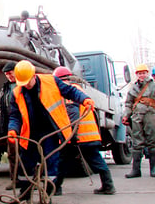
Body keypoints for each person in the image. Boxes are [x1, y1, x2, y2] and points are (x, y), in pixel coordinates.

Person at [7, 60, 95, 202]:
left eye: (28, 81)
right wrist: (12, 129)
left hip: (50, 132)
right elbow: (15, 116)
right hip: (29, 134)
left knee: (50, 164)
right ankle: (25, 195)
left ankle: (47, 196)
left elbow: (70, 91)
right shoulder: (17, 92)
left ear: (34, 75)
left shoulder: (51, 81)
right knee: (26, 165)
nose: (26, 85)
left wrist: (84, 99)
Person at [52, 66, 116, 195]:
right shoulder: (78, 89)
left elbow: (73, 114)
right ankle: (108, 186)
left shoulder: (68, 92)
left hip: (78, 136)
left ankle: (56, 188)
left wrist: (72, 136)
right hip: (89, 136)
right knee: (96, 161)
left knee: (61, 163)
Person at [122, 64, 155, 178]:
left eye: (143, 73)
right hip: (136, 116)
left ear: (147, 73)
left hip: (150, 115)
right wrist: (126, 115)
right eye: (139, 73)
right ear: (136, 75)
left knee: (152, 142)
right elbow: (128, 103)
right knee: (137, 143)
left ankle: (153, 170)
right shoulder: (133, 88)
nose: (142, 75)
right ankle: (136, 170)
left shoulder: (154, 86)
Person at [0, 61, 20, 190]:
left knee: (28, 154)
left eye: (10, 73)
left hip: (25, 125)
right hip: (11, 125)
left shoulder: (24, 84)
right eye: (7, 74)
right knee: (12, 154)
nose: (9, 76)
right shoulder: (5, 88)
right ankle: (15, 180)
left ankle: (33, 179)